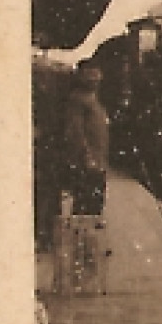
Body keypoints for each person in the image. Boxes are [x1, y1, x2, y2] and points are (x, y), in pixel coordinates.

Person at [63, 61, 110, 216]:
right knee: (85, 205)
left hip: (98, 160)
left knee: (94, 204)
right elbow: (75, 132)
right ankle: (83, 238)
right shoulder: (77, 100)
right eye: (90, 74)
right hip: (87, 162)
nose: (95, 78)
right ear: (81, 76)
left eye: (97, 74)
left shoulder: (94, 99)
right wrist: (86, 156)